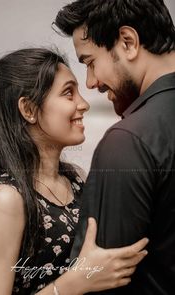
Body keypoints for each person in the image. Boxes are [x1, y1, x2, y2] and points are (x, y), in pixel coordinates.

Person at [0, 48, 149, 295]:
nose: (83, 104)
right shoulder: (6, 199)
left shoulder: (76, 179)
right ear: (28, 109)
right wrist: (75, 283)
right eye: (68, 93)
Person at [54, 0, 175, 294]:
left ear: (128, 42)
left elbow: (101, 286)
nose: (91, 82)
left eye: (90, 62)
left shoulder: (127, 142)